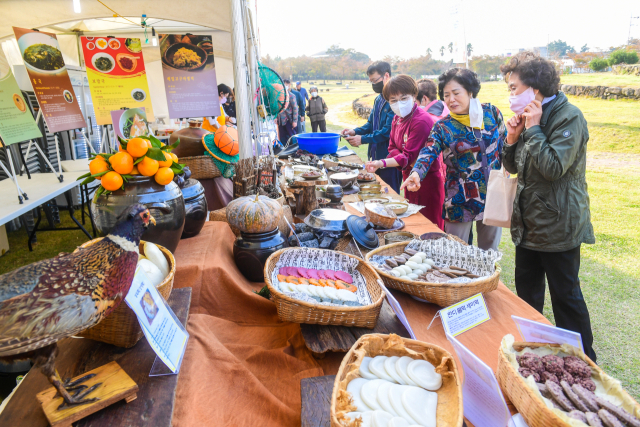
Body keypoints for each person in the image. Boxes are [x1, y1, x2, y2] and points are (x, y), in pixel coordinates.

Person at [501, 52, 596, 361]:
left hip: (559, 224)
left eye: (514, 87)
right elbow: (514, 167)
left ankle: (584, 360)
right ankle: (531, 354)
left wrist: (534, 129)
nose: (511, 94)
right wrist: (513, 139)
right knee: (527, 296)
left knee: (565, 296)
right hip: (528, 222)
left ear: (535, 89)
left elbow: (554, 167)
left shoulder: (568, 116)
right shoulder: (532, 118)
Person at [401, 68, 506, 251]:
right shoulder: (443, 126)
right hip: (459, 200)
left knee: (489, 253)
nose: (451, 99)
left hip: (492, 196)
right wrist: (416, 173)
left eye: (456, 93)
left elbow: (505, 145)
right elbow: (429, 151)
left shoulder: (491, 113)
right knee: (456, 253)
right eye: (446, 95)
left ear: (470, 92)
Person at [364, 75, 445, 229]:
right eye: (393, 100)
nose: (398, 103)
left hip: (426, 182)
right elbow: (392, 148)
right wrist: (403, 157)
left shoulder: (421, 120)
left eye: (403, 98)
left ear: (414, 96)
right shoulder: (397, 119)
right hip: (408, 177)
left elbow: (407, 156)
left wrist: (382, 162)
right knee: (412, 222)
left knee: (429, 226)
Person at [342, 61, 402, 193]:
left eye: (375, 80)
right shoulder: (378, 99)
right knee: (377, 192)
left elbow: (387, 132)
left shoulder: (395, 101)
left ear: (386, 76)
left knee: (390, 194)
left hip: (389, 158)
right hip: (375, 156)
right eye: (371, 82)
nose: (374, 85)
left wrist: (362, 139)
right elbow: (370, 124)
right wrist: (354, 132)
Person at [277, 79, 298, 144]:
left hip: (289, 120)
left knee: (292, 137)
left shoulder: (291, 96)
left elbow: (295, 109)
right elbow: (277, 108)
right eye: (284, 84)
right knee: (282, 138)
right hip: (281, 121)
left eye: (287, 85)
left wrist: (294, 121)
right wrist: (276, 117)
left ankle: (294, 151)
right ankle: (285, 151)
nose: (285, 86)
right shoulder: (278, 96)